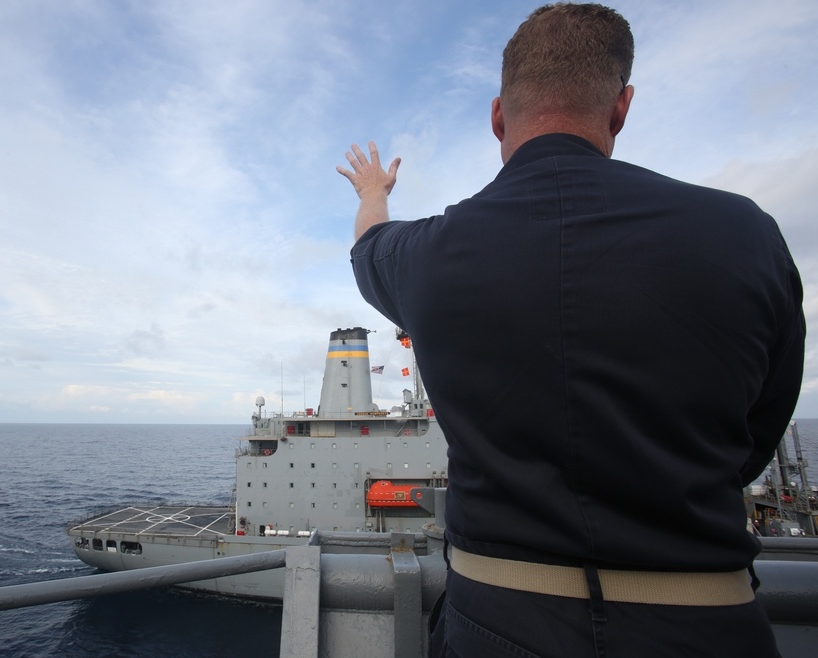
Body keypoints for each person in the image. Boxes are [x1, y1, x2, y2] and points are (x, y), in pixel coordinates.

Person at [338, 3, 804, 657]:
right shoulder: (747, 234)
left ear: (497, 116)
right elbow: (759, 430)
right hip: (710, 626)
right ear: (622, 108)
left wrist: (372, 192)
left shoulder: (429, 254)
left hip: (493, 623)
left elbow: (369, 249)